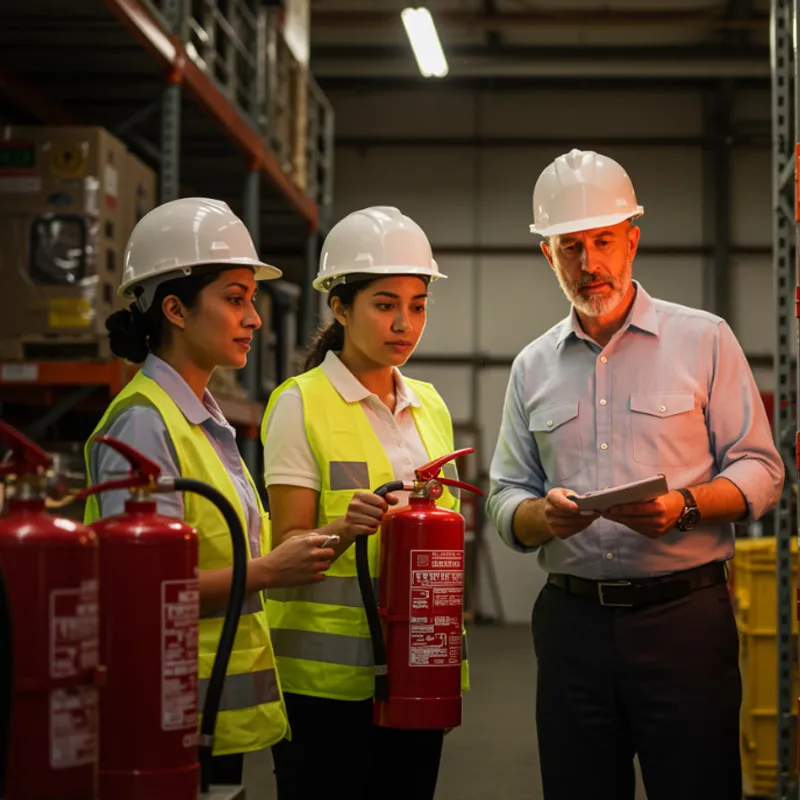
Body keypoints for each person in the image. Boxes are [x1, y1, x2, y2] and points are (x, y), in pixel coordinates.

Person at [485, 149, 784, 800]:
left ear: (632, 241)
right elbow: (505, 497)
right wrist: (543, 514)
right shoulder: (531, 368)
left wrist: (684, 507)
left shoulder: (704, 340)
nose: (589, 264)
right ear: (548, 256)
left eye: (602, 242)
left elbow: (762, 471)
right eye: (570, 247)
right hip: (571, 632)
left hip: (684, 623)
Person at [83, 197, 336, 785]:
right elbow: (141, 590)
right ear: (174, 308)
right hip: (167, 711)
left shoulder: (200, 417)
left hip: (209, 709)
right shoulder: (144, 423)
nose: (255, 319)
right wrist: (270, 571)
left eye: (252, 300)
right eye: (234, 298)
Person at [261, 206, 468, 800]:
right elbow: (285, 548)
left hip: (416, 671)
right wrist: (343, 529)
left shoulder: (430, 405)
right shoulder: (300, 404)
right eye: (385, 304)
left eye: (418, 305)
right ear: (340, 306)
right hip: (325, 690)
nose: (404, 323)